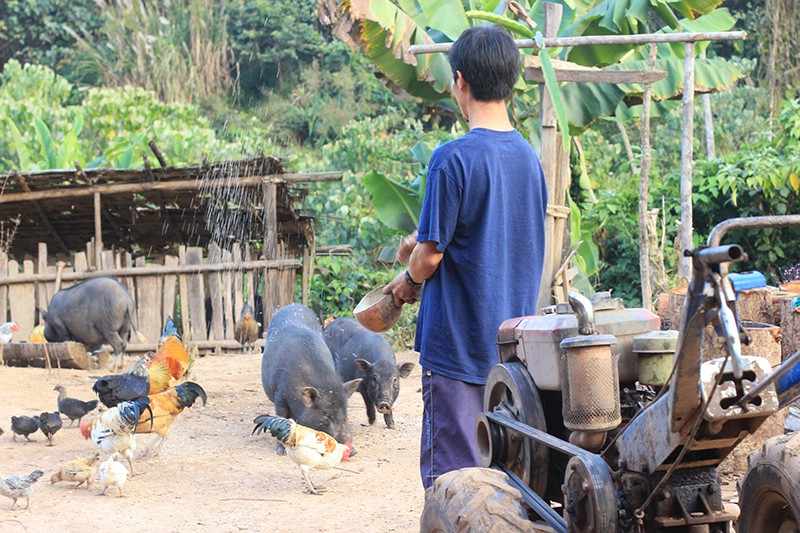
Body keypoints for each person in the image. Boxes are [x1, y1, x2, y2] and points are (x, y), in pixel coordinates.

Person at [384, 25, 548, 490]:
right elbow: (491, 231)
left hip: (458, 351)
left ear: (460, 81)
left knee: (455, 488)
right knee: (506, 485)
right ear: (510, 82)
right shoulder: (529, 159)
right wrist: (421, 248)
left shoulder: (451, 158)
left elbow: (429, 258)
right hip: (514, 359)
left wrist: (409, 280)